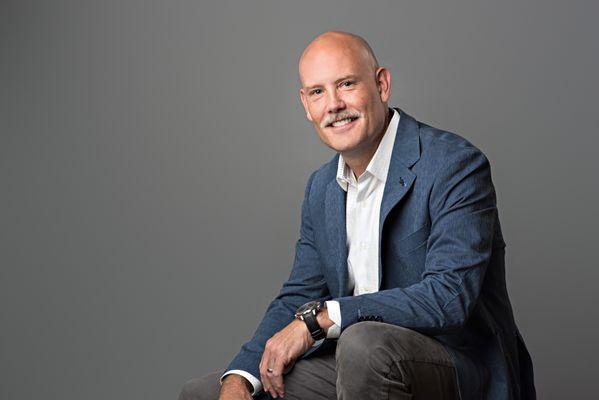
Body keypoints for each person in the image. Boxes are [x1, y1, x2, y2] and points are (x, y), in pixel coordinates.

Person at [179, 31, 536, 400]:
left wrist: (322, 319)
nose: (333, 104)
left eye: (346, 84)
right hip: (354, 366)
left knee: (362, 343)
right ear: (306, 105)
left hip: (457, 367)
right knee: (205, 393)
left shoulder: (454, 165)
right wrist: (240, 376)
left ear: (381, 85)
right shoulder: (321, 189)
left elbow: (448, 297)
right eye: (318, 92)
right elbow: (297, 295)